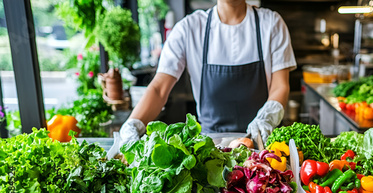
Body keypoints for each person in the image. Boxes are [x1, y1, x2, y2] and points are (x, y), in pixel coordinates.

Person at [119, 0, 296, 145]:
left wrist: (266, 119)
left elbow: (280, 86)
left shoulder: (272, 23)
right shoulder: (190, 28)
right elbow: (159, 88)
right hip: (210, 148)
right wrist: (133, 124)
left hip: (262, 145)